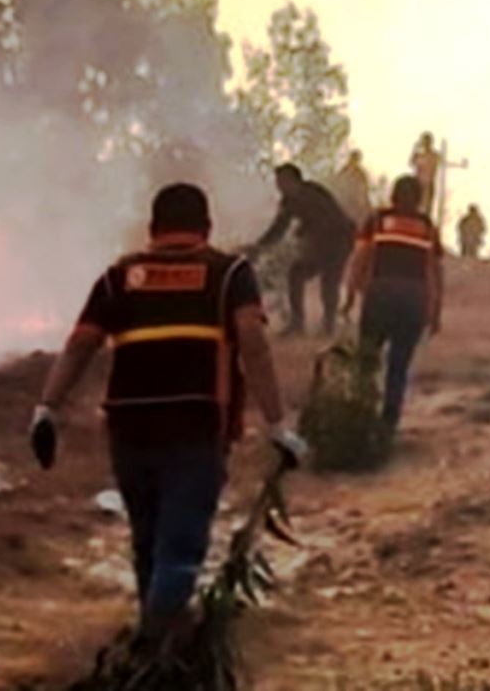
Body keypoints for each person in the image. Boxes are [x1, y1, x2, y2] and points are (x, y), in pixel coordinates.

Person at [28, 183, 307, 645]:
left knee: (148, 542)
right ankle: (154, 652)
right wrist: (278, 425)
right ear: (206, 227)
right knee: (179, 550)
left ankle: (154, 633)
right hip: (194, 428)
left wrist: (47, 408)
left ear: (153, 228)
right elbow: (253, 345)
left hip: (128, 429)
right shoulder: (229, 272)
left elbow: (80, 344)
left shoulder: (119, 276)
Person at [345, 176, 445, 436]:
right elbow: (434, 271)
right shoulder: (426, 226)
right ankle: (388, 424)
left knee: (367, 359)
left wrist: (350, 297)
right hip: (413, 299)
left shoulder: (377, 221)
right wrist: (435, 312)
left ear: (393, 195)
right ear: (420, 199)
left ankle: (359, 414)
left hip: (380, 294)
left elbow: (360, 258)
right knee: (398, 365)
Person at [247, 163, 357, 337]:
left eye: (282, 182)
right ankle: (298, 323)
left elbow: (329, 222)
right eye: (278, 182)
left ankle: (328, 325)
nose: (279, 186)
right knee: (296, 274)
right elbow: (278, 229)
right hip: (321, 241)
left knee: (329, 282)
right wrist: (259, 247)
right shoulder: (289, 201)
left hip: (339, 240)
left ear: (294, 181)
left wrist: (305, 235)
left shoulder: (312, 193)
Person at [331, 150, 373, 223]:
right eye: (354, 158)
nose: (354, 161)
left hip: (356, 204)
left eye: (356, 159)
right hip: (347, 203)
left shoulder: (360, 174)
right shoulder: (344, 172)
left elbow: (364, 190)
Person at [410, 133, 440, 216]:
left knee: (425, 209)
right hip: (417, 184)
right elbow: (412, 162)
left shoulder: (434, 155)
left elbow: (434, 164)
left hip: (428, 184)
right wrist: (415, 149)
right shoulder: (419, 155)